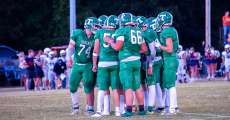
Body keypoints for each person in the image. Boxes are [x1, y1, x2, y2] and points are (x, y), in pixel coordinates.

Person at [104, 13, 148, 117]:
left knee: (127, 86)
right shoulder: (138, 31)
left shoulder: (122, 31)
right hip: (137, 61)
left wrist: (110, 41)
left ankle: (129, 110)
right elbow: (145, 49)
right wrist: (135, 52)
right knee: (137, 86)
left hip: (126, 62)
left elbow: (117, 47)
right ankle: (142, 109)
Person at [92, 15, 124, 117]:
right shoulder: (118, 32)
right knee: (115, 88)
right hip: (115, 63)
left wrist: (94, 64)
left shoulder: (99, 32)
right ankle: (118, 111)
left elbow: (96, 50)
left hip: (103, 63)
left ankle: (99, 111)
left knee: (102, 88)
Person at [66, 17, 97, 115]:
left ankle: (90, 108)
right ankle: (75, 107)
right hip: (77, 64)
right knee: (72, 86)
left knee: (88, 86)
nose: (96, 28)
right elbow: (70, 48)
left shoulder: (95, 36)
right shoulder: (78, 34)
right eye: (94, 26)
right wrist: (68, 58)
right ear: (89, 26)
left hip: (88, 65)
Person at [154, 11, 179, 115]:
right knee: (168, 84)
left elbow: (169, 49)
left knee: (170, 84)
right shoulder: (171, 29)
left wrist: (159, 46)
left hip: (170, 59)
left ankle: (173, 108)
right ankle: (172, 107)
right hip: (170, 59)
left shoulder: (167, 31)